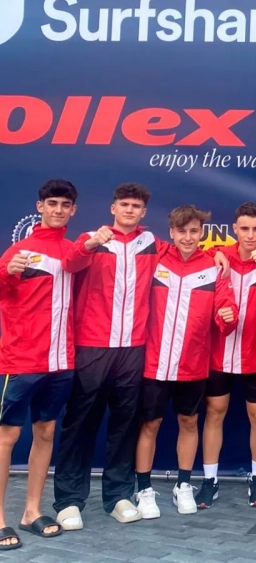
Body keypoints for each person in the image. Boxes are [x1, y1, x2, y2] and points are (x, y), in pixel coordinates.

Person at [50, 183, 155, 530]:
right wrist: (91, 243)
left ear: (143, 212)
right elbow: (70, 262)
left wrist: (218, 256)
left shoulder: (151, 243)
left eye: (135, 206)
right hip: (93, 346)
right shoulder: (92, 239)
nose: (129, 210)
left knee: (125, 425)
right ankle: (68, 501)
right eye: (124, 204)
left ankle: (119, 497)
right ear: (113, 208)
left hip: (133, 348)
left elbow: (186, 254)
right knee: (80, 423)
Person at [133, 205, 238, 517]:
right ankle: (144, 490)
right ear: (171, 233)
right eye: (182, 231)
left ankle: (183, 485)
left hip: (192, 365)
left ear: (202, 233)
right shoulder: (156, 258)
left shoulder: (213, 267)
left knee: (189, 422)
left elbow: (226, 309)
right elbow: (133, 236)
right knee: (150, 424)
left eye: (194, 231)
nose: (188, 237)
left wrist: (228, 316)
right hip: (154, 363)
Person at [197, 203, 256, 509]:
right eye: (244, 229)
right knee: (215, 413)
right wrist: (214, 254)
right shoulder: (218, 256)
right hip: (219, 353)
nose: (250, 235)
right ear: (234, 229)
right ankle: (209, 481)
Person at [0, 180, 79, 551]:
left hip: (60, 361)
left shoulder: (73, 252)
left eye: (65, 204)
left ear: (73, 210)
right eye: (52, 203)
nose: (58, 209)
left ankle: (31, 511)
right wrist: (5, 273)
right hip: (21, 359)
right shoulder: (19, 251)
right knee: (7, 437)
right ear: (40, 207)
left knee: (46, 432)